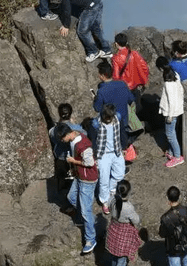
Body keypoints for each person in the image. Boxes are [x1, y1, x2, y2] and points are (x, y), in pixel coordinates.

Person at [55, 123, 99, 255]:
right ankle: (85, 220)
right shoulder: (75, 139)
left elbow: (90, 163)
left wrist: (73, 161)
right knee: (71, 197)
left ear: (67, 134)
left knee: (86, 211)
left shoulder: (83, 145)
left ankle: (91, 239)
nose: (62, 141)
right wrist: (75, 169)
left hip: (88, 180)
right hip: (79, 176)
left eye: (61, 138)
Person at [47, 0, 113, 62]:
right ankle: (107, 50)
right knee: (96, 28)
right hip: (97, 1)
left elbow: (67, 10)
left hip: (90, 8)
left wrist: (66, 26)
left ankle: (93, 51)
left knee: (82, 31)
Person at [90, 104, 126, 215]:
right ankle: (105, 202)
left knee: (120, 174)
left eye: (111, 117)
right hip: (103, 154)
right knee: (103, 180)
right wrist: (94, 154)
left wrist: (124, 146)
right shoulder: (96, 123)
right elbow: (92, 138)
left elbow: (122, 132)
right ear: (103, 115)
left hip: (116, 151)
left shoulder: (118, 117)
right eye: (107, 117)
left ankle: (112, 191)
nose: (109, 119)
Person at [105, 180, 142, 266]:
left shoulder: (112, 199)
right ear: (128, 192)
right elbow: (136, 220)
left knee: (114, 256)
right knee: (121, 259)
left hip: (113, 230)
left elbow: (108, 207)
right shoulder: (128, 207)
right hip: (124, 234)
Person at [112, 33, 150, 113]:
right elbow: (144, 67)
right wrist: (144, 79)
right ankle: (137, 123)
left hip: (124, 88)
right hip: (135, 86)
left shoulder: (116, 58)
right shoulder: (134, 53)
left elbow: (116, 76)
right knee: (135, 109)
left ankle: (135, 125)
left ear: (116, 43)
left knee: (127, 112)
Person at [159, 186, 187, 266]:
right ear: (179, 196)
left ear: (168, 198)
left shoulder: (165, 218)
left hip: (173, 249)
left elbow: (162, 234)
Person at [159, 65, 185, 168]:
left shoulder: (168, 84)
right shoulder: (177, 77)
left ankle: (177, 157)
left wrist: (169, 115)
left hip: (171, 112)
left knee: (170, 135)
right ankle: (171, 152)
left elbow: (171, 102)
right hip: (178, 110)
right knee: (172, 132)